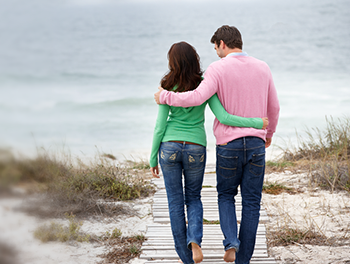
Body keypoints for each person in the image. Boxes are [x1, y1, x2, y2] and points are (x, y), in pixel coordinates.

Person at [154, 26, 280, 264]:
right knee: (252, 202)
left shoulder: (217, 69)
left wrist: (165, 96)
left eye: (215, 47)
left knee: (226, 195)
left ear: (222, 43)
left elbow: (195, 98)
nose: (216, 53)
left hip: (228, 146)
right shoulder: (263, 67)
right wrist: (268, 132)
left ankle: (229, 243)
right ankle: (242, 260)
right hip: (255, 144)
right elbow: (274, 107)